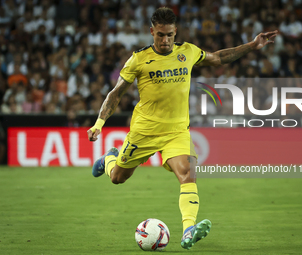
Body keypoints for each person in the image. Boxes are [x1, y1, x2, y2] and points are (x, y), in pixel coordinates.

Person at [87, 7, 278, 250]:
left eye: (169, 35)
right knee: (117, 178)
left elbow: (218, 58)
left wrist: (251, 46)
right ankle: (111, 159)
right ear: (151, 32)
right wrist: (99, 123)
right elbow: (115, 94)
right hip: (144, 132)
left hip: (176, 131)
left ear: (175, 32)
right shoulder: (138, 59)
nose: (165, 40)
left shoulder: (187, 51)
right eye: (159, 35)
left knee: (187, 172)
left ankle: (188, 229)